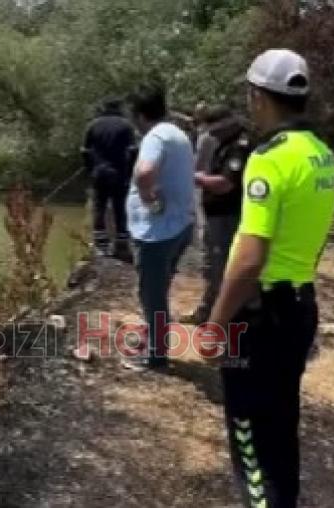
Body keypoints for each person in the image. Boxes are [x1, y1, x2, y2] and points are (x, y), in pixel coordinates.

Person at [200, 49, 334, 508]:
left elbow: (248, 260)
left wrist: (216, 325)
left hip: (260, 318)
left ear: (258, 96)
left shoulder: (268, 159)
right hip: (301, 308)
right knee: (281, 420)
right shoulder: (324, 158)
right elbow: (315, 241)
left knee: (248, 428)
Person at [126, 84, 195, 369]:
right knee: (159, 288)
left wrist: (148, 199)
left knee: (151, 294)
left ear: (140, 116)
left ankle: (156, 357)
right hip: (179, 226)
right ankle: (153, 337)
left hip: (158, 233)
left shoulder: (154, 137)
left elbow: (144, 173)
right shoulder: (177, 133)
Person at [184, 104, 253, 324]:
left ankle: (220, 318)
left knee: (219, 266)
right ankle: (209, 312)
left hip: (227, 216)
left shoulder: (239, 146)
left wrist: (194, 177)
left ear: (227, 125)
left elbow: (225, 184)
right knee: (212, 264)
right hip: (217, 215)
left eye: (214, 130)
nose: (211, 135)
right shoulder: (225, 142)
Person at [81, 97, 137, 262]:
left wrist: (90, 168)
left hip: (99, 173)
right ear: (119, 108)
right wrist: (130, 171)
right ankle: (121, 244)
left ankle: (101, 245)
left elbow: (84, 151)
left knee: (100, 207)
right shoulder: (126, 126)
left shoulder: (93, 125)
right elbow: (133, 150)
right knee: (120, 207)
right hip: (120, 173)